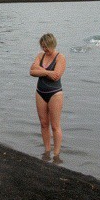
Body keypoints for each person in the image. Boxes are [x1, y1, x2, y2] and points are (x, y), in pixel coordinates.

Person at [30, 33, 66, 162]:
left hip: (55, 93)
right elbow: (32, 71)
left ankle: (56, 154)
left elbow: (56, 76)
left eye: (46, 46)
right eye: (42, 46)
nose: (44, 49)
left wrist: (40, 70)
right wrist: (46, 72)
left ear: (52, 44)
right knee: (44, 123)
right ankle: (47, 151)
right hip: (40, 92)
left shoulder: (60, 57)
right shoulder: (40, 56)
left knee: (55, 125)